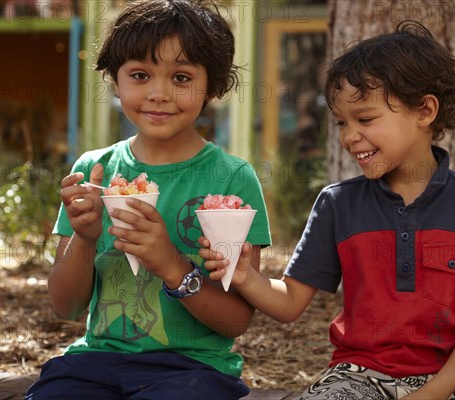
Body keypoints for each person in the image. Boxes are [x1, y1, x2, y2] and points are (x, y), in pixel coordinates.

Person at [201, 21, 455, 400]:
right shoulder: (337, 204)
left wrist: (433, 393)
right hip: (358, 377)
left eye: (366, 119)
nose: (349, 136)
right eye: (341, 122)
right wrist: (245, 278)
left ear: (424, 111)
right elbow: (290, 302)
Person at [25, 1, 271, 398]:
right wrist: (85, 238)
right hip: (94, 363)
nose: (159, 93)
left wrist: (171, 264)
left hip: (194, 369)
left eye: (181, 77)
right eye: (140, 74)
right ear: (115, 80)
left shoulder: (231, 180)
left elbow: (235, 322)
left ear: (214, 85)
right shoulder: (94, 172)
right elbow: (65, 306)